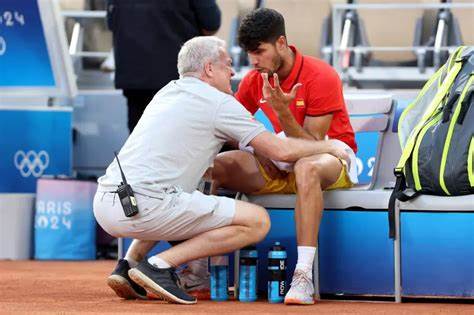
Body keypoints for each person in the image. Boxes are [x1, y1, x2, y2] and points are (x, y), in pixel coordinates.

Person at [93, 36, 349, 305]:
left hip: (107, 203)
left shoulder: (166, 91)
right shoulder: (219, 103)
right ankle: (159, 265)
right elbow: (281, 152)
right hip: (148, 206)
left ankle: (128, 263)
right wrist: (330, 145)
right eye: (227, 65)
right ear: (209, 69)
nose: (233, 71)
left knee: (195, 180)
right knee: (257, 221)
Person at [208, 8, 358, 305]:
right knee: (216, 167)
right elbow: (228, 128)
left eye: (259, 51)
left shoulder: (321, 75)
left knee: (306, 167)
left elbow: (313, 143)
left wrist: (282, 112)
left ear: (280, 43)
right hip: (281, 161)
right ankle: (201, 268)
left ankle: (303, 276)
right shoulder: (255, 79)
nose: (253, 61)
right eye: (249, 53)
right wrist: (257, 148)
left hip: (332, 156)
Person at [106, 0, 221, 132]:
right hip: (178, 79)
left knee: (139, 142)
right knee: (180, 142)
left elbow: (111, 23)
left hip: (135, 79)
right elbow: (211, 23)